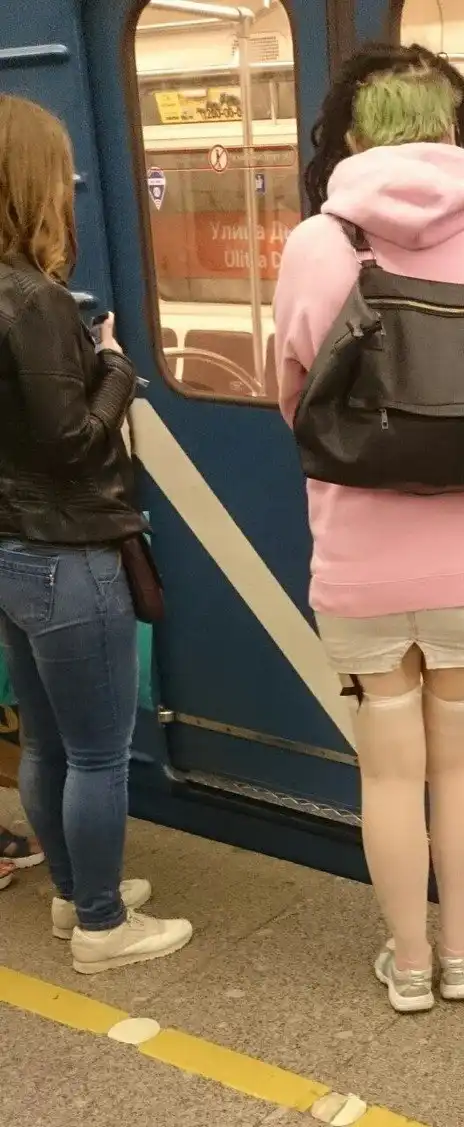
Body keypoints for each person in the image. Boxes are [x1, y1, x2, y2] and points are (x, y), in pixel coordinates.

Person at [275, 45, 464, 1012]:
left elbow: (293, 393)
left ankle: (411, 964)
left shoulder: (317, 244)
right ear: (454, 129)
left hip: (360, 562)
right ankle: (463, 954)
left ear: (353, 134)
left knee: (388, 775)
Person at [0, 94, 193, 971]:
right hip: (66, 555)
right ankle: (104, 928)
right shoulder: (34, 299)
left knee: (43, 741)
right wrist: (113, 365)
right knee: (97, 753)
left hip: (11, 551)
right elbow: (73, 441)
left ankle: (74, 895)